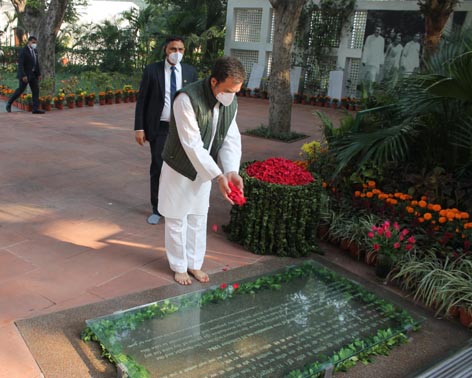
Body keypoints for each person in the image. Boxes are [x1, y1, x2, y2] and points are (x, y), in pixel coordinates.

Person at [158, 56, 246, 286]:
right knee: (177, 217)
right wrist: (218, 175)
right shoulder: (186, 99)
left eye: (236, 91)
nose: (232, 96)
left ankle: (194, 263)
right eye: (228, 90)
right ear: (214, 81)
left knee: (198, 216)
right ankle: (178, 266)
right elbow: (192, 144)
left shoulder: (230, 103)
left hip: (207, 171)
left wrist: (231, 171)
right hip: (179, 166)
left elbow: (230, 138)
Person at [134, 36, 198, 225]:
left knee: (182, 169)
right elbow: (142, 100)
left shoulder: (190, 72)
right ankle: (157, 208)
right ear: (165, 50)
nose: (177, 53)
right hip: (160, 127)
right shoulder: (152, 70)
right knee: (158, 167)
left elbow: (195, 101)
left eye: (181, 50)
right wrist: (139, 127)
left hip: (182, 128)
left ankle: (179, 206)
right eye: (173, 49)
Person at [6, 36, 44, 114]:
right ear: (29, 42)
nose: (34, 44)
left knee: (36, 90)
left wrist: (39, 74)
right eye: (33, 42)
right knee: (20, 90)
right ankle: (9, 103)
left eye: (35, 43)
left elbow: (36, 64)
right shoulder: (23, 51)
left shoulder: (35, 51)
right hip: (25, 75)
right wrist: (23, 75)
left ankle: (35, 108)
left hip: (33, 75)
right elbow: (20, 64)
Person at [361, 26, 385, 93]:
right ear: (374, 30)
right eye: (377, 29)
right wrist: (364, 60)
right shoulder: (369, 38)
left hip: (375, 61)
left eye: (379, 30)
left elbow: (381, 51)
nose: (378, 31)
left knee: (372, 77)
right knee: (364, 77)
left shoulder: (382, 39)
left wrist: (381, 62)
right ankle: (364, 90)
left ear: (380, 31)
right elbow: (366, 48)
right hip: (368, 61)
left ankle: (370, 92)